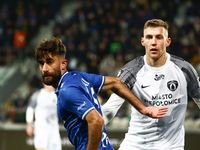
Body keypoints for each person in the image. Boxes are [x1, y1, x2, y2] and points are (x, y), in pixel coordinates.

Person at [34, 37, 168, 150]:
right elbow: (116, 83)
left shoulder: (66, 91)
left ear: (63, 64)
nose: (44, 68)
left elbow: (96, 121)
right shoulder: (78, 77)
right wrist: (142, 108)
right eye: (41, 64)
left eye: (50, 62)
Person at [101, 19, 200, 150]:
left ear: (167, 41)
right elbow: (110, 109)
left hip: (171, 147)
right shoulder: (131, 71)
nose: (153, 42)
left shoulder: (184, 70)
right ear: (143, 41)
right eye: (149, 37)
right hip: (135, 145)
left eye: (159, 37)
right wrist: (89, 121)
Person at [26, 84, 62, 150]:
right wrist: (29, 125)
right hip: (41, 129)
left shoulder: (57, 95)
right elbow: (30, 109)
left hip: (54, 129)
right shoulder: (37, 95)